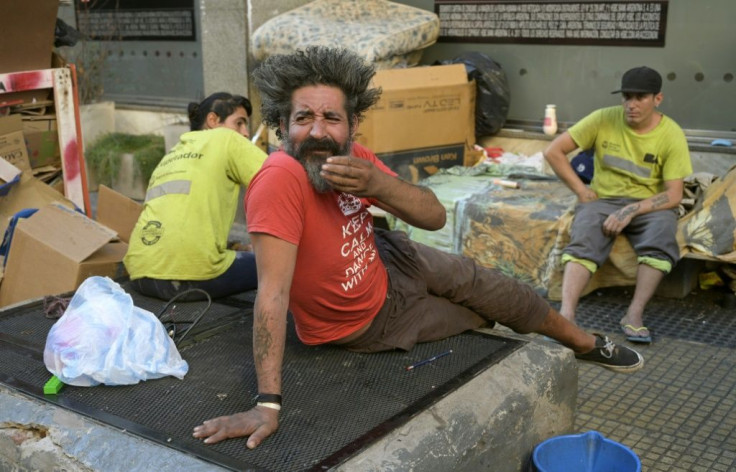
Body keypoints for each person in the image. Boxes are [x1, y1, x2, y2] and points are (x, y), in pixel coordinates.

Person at [192, 47, 644, 449]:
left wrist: (377, 183)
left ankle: (587, 343)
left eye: (331, 118)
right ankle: (521, 325)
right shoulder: (280, 179)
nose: (317, 132)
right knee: (481, 316)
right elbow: (271, 294)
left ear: (351, 125)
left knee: (502, 289)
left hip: (392, 257)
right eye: (303, 118)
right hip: (370, 321)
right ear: (284, 126)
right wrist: (266, 405)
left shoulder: (354, 159)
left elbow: (433, 215)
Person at [543, 66, 692, 343]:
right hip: (604, 199)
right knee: (584, 232)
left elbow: (673, 195)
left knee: (661, 238)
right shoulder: (603, 118)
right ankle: (567, 315)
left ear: (657, 99)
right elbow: (553, 151)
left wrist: (630, 210)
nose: (631, 105)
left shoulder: (671, 134)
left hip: (649, 204)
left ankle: (634, 314)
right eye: (627, 97)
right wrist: (581, 190)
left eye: (640, 98)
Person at [124, 92, 267, 301]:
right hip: (190, 276)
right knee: (282, 263)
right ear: (213, 121)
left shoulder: (171, 155)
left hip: (140, 273)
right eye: (239, 123)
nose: (245, 133)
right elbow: (279, 179)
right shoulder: (225, 138)